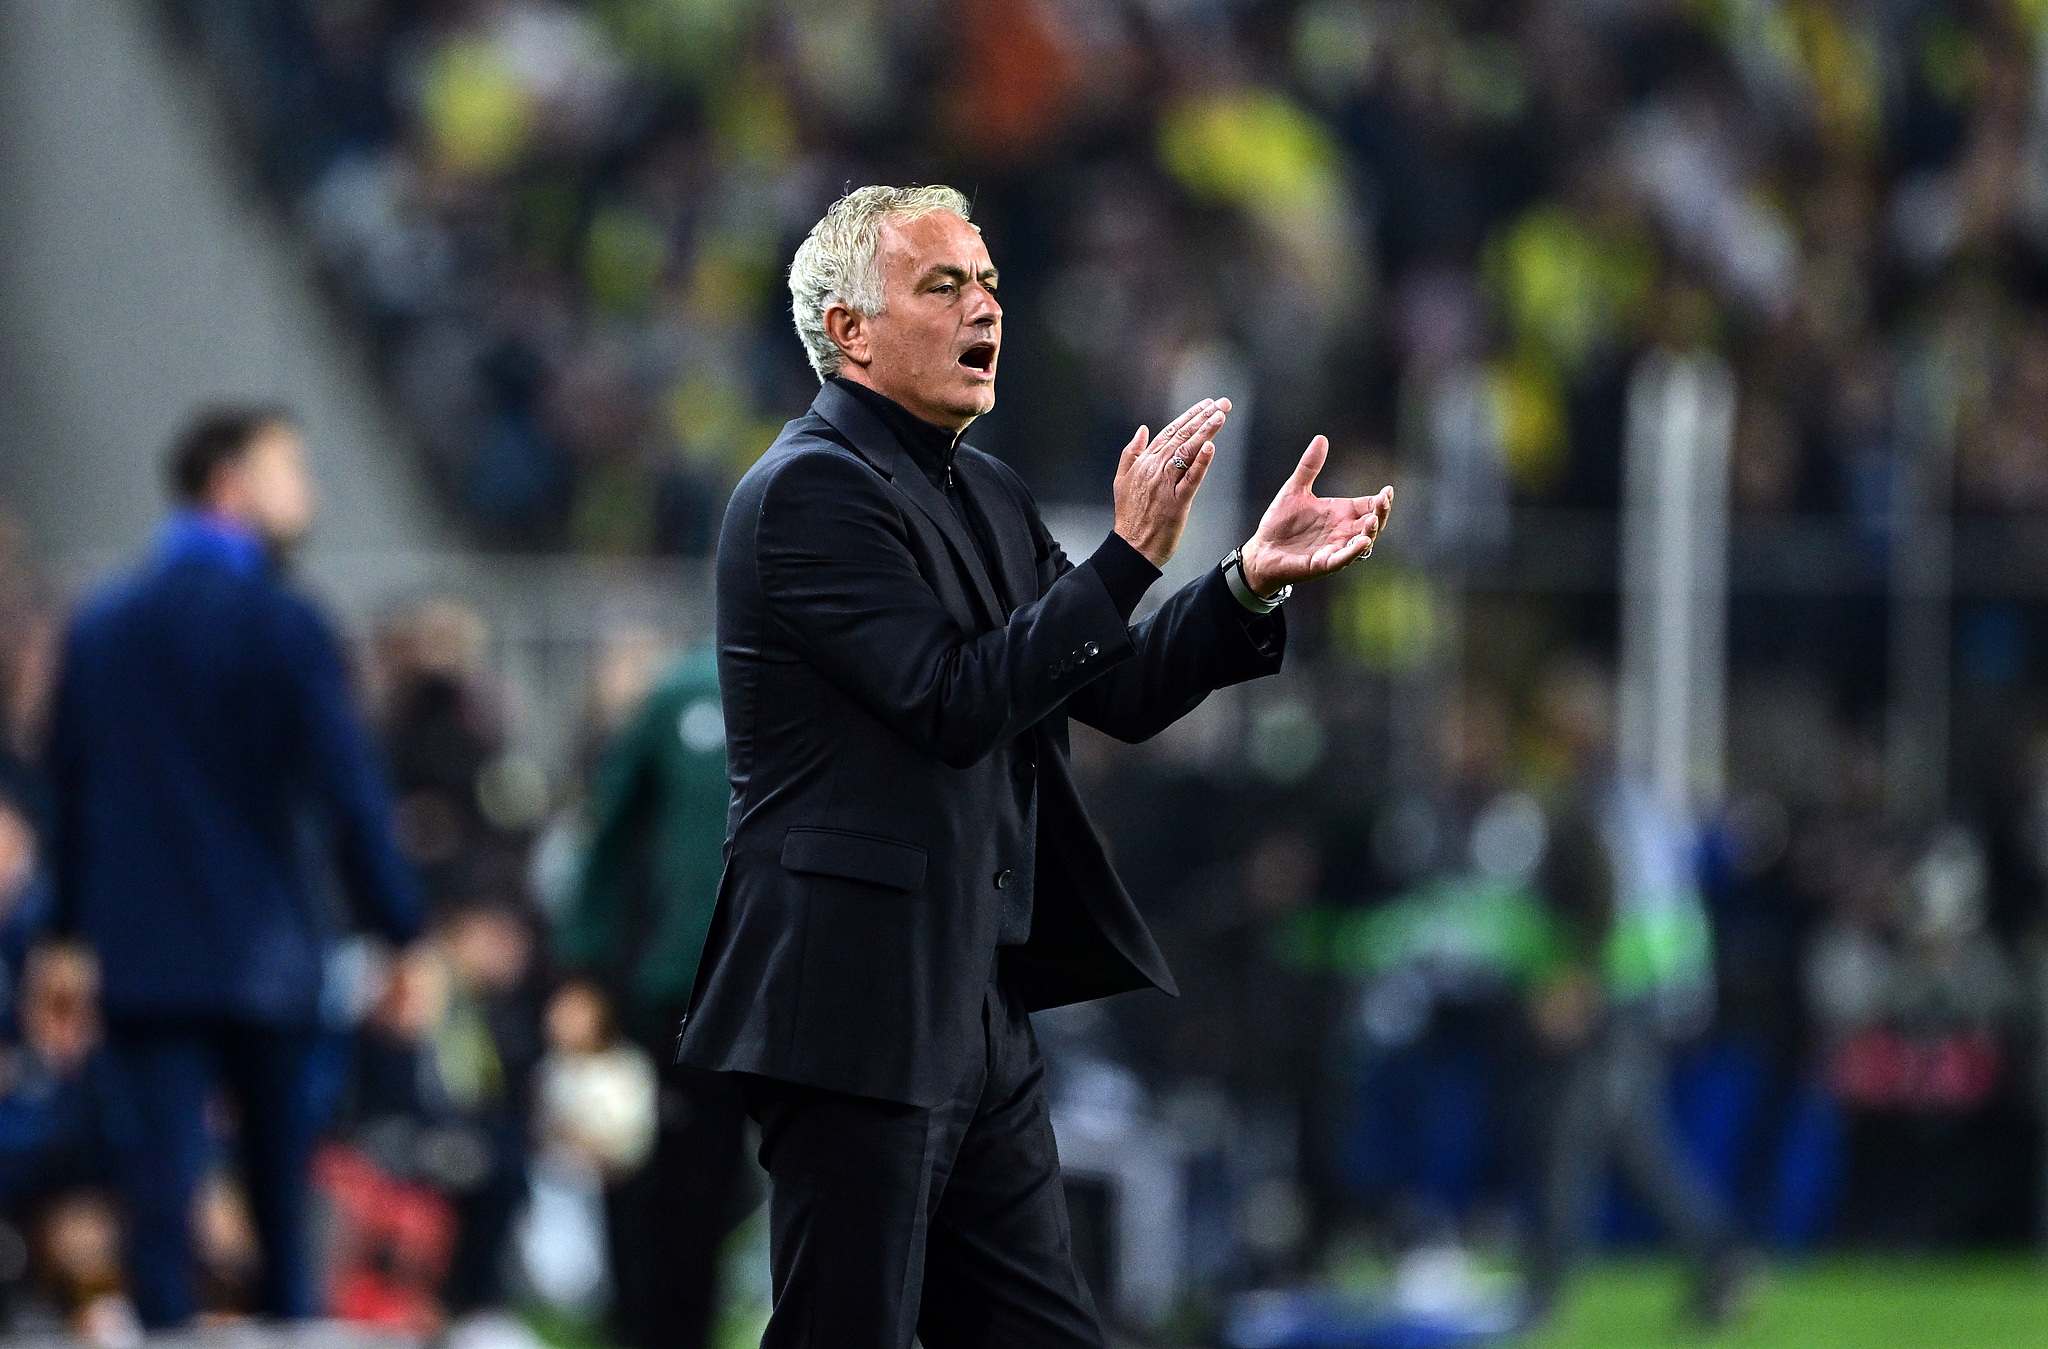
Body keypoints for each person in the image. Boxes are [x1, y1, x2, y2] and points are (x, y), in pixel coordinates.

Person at [675, 184, 1393, 1348]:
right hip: (851, 999)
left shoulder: (987, 490)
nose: (986, 308)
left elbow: (1113, 691)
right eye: (942, 284)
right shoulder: (806, 492)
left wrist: (1242, 583)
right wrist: (1120, 561)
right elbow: (951, 701)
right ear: (849, 330)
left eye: (991, 281)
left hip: (974, 996)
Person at [47, 407, 421, 1327]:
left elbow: (69, 794)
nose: (310, 493)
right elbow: (349, 792)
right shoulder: (288, 626)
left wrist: (63, 937)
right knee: (280, 1215)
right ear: (230, 481)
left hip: (144, 958)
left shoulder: (101, 627)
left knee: (161, 1204)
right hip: (269, 954)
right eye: (291, 468)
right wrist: (401, 930)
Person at [557, 643, 752, 1349]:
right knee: (645, 1174)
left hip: (762, 990)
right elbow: (609, 833)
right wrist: (585, 968)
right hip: (668, 992)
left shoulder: (828, 681)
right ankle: (640, 1330)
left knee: (719, 1188)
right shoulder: (683, 695)